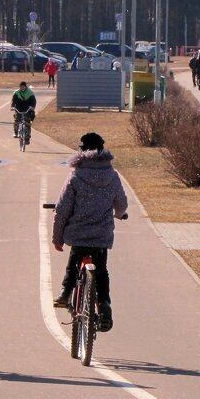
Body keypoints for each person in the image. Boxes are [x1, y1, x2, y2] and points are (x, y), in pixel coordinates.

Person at [52, 132, 129, 333]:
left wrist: (57, 238)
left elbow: (61, 210)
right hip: (101, 236)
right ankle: (104, 306)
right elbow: (121, 204)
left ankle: (65, 292)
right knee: (101, 270)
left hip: (78, 234)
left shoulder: (76, 176)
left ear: (81, 151)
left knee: (73, 263)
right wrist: (119, 214)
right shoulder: (112, 175)